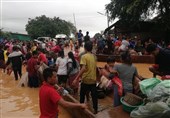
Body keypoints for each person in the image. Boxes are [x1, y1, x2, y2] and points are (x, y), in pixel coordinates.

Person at [73, 41, 98, 114]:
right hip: (93, 80)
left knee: (82, 95)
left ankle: (81, 108)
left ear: (85, 48)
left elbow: (83, 68)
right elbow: (94, 67)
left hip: (86, 79)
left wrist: (76, 78)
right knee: (94, 96)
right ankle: (95, 110)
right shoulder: (94, 56)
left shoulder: (84, 56)